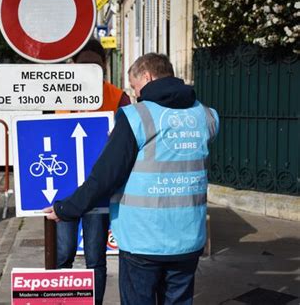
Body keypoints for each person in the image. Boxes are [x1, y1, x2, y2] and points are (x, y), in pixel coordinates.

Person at [45, 53, 219, 305]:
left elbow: (105, 176)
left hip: (143, 240)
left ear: (147, 77)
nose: (136, 94)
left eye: (136, 87)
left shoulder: (135, 117)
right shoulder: (206, 115)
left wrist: (67, 208)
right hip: (188, 238)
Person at [54, 39, 130, 305]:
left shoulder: (117, 96)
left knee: (95, 258)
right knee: (62, 254)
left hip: (98, 191)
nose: (89, 71)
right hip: (64, 190)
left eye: (95, 66)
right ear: (72, 66)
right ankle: (62, 301)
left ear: (104, 66)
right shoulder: (55, 93)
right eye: (83, 65)